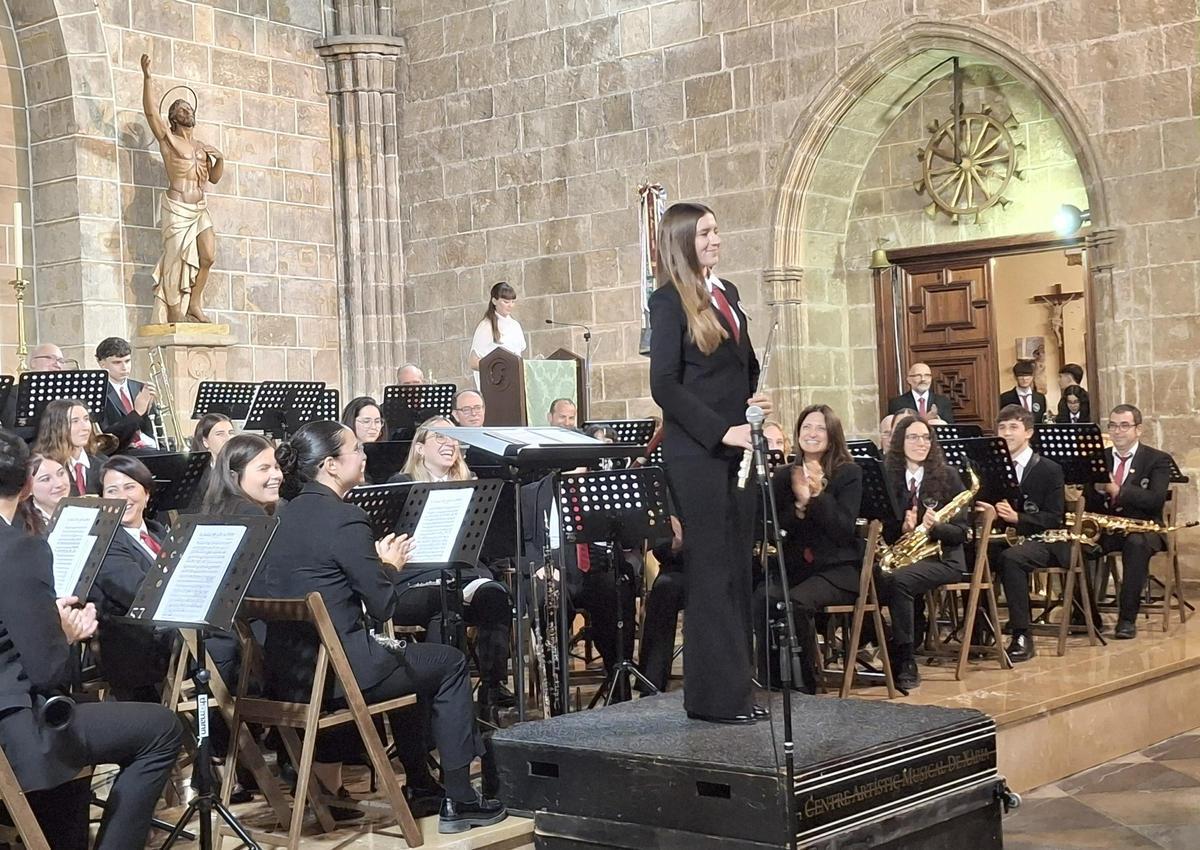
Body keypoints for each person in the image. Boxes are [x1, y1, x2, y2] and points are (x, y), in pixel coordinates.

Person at [262, 421, 506, 833]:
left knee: (411, 663)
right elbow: (383, 605)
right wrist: (389, 567)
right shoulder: (345, 519)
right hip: (344, 675)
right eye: (356, 449)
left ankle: (424, 785)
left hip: (290, 676)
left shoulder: (278, 518)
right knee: (447, 664)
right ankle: (461, 797)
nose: (364, 455)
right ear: (330, 465)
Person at [0, 427, 182, 850]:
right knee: (162, 728)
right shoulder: (19, 548)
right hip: (13, 729)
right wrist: (63, 631)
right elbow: (47, 671)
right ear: (28, 485)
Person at [647, 201, 770, 724]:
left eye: (717, 231)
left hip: (737, 446)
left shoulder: (729, 294)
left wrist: (754, 408)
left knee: (740, 570)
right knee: (712, 572)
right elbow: (665, 386)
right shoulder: (668, 300)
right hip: (698, 452)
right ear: (681, 242)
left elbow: (739, 370)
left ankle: (737, 688)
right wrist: (722, 429)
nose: (715, 240)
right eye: (704, 234)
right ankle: (715, 699)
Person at [388, 418, 515, 714]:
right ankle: (443, 699)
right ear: (420, 448)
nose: (450, 444)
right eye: (440, 438)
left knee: (496, 596)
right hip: (416, 579)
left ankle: (490, 693)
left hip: (463, 574)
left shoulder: (472, 486)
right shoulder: (402, 484)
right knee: (444, 603)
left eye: (454, 438)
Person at [756, 405, 864, 693]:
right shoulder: (784, 475)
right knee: (763, 597)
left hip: (837, 569)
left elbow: (843, 530)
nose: (812, 434)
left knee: (795, 604)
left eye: (820, 428)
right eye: (806, 427)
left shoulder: (848, 474)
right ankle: (771, 684)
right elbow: (776, 528)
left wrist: (816, 498)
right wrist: (800, 509)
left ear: (832, 435)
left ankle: (805, 685)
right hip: (797, 567)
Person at [877, 415, 972, 690]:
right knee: (866, 579)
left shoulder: (949, 477)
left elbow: (962, 533)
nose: (921, 443)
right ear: (899, 442)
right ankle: (882, 640)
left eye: (925, 437)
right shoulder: (888, 477)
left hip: (942, 558)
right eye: (913, 437)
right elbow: (883, 526)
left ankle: (905, 657)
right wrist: (903, 527)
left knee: (899, 581)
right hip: (901, 556)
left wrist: (935, 528)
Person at [141, 53, 223, 323]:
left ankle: (195, 303)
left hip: (200, 208)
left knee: (208, 256)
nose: (189, 112)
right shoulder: (169, 141)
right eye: (183, 110)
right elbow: (151, 113)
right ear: (174, 118)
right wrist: (148, 78)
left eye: (190, 109)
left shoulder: (201, 147)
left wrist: (219, 158)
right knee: (176, 262)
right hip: (177, 208)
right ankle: (175, 310)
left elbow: (213, 179)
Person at [1083, 404, 1173, 640]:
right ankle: (1087, 616)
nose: (1117, 431)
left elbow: (1155, 500)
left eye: (1124, 425)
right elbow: (1089, 501)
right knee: (1072, 546)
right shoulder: (1098, 459)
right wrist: (1098, 491)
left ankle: (1126, 619)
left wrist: (1118, 490)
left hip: (1145, 528)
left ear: (1138, 429)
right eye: (1112, 425)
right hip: (1107, 528)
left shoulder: (1157, 460)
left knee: (1136, 544)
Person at [987, 405, 1067, 662]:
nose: (1006, 433)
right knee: (972, 552)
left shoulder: (1049, 469)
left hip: (1046, 539)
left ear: (1029, 432)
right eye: (1002, 428)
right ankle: (980, 628)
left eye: (1013, 427)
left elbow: (1055, 518)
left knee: (1013, 559)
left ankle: (1022, 634)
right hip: (1006, 537)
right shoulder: (993, 468)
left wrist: (1018, 518)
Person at [91, 456, 175, 702]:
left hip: (172, 634)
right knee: (225, 647)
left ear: (147, 493)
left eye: (130, 487)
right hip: (139, 645)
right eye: (112, 490)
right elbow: (140, 592)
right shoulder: (105, 541)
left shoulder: (159, 531)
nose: (123, 497)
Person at [636, 516, 686, 692]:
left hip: (718, 565)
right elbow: (659, 548)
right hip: (679, 567)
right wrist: (675, 544)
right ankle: (651, 682)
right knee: (664, 589)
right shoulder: (670, 492)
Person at [95, 337, 160, 453]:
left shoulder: (140, 387)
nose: (124, 367)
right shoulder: (98, 392)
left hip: (148, 446)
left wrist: (151, 409)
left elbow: (154, 428)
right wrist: (137, 413)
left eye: (127, 361)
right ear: (102, 363)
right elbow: (107, 438)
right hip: (120, 451)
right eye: (117, 362)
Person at [34, 398, 108, 496]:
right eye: (75, 421)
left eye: (86, 419)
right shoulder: (43, 467)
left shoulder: (103, 464)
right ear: (56, 427)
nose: (85, 427)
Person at [469, 282, 525, 387]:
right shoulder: (486, 326)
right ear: (494, 301)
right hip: (495, 384)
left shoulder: (515, 325)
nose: (510, 306)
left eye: (513, 302)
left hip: (514, 382)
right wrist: (497, 369)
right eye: (506, 302)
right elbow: (473, 362)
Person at [0, 343, 66, 433]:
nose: (57, 364)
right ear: (33, 363)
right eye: (50, 358)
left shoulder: (67, 395)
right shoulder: (13, 393)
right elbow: (17, 430)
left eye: (61, 360)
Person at [887, 363, 955, 423]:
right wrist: (925, 420)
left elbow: (950, 427)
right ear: (909, 379)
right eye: (918, 376)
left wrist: (939, 420)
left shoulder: (943, 401)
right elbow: (897, 430)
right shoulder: (897, 403)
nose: (923, 379)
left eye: (927, 375)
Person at [26, 452, 70, 532]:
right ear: (28, 488)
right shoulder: (21, 526)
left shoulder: (85, 514)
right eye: (46, 479)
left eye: (61, 473)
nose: (59, 484)